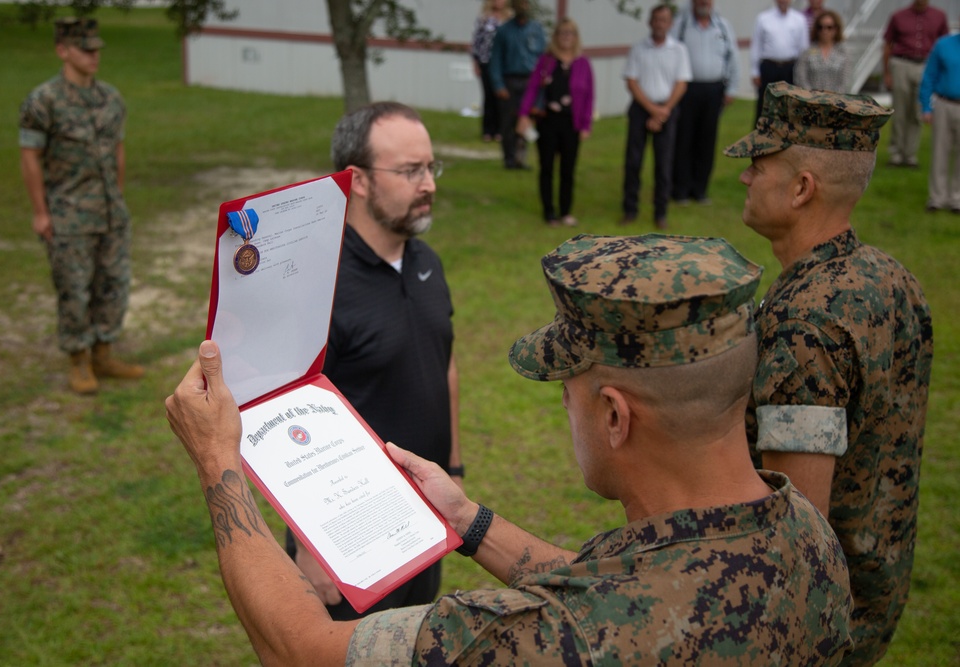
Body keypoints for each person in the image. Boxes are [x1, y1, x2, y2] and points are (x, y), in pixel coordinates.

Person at [166, 233, 855, 666]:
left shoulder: (564, 639)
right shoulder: (806, 538)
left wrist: (220, 463)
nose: (564, 405)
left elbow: (302, 651)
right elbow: (627, 582)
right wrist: (469, 520)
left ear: (614, 416)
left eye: (569, 390)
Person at [725, 82, 934, 666]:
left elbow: (799, 521)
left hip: (807, 622)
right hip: (872, 589)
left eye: (758, 164)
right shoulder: (890, 279)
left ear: (801, 188)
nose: (746, 177)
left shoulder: (807, 323)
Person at [282, 101, 463, 621]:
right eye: (410, 171)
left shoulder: (427, 261)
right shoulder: (319, 285)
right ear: (357, 181)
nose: (428, 183)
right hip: (347, 533)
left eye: (431, 167)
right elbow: (283, 422)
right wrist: (305, 545)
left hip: (426, 514)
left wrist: (453, 470)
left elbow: (443, 364)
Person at [19, 17, 144, 395]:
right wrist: (41, 212)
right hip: (68, 214)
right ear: (63, 51)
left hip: (110, 213)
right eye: (85, 49)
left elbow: (118, 149)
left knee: (114, 286)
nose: (93, 56)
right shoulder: (43, 102)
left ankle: (104, 353)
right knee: (74, 291)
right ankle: (78, 359)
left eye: (96, 49)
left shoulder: (110, 98)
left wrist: (117, 198)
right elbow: (30, 157)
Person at [516, 17, 594, 227]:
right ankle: (549, 211)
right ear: (556, 37)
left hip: (572, 122)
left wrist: (586, 125)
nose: (566, 37)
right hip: (548, 121)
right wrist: (523, 114)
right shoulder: (547, 61)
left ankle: (566, 211)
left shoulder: (583, 63)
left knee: (568, 168)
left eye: (570, 33)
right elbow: (533, 89)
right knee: (547, 166)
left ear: (576, 37)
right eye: (562, 33)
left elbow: (589, 96)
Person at [620, 4, 691, 229]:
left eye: (664, 20)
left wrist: (663, 111)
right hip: (642, 109)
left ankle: (660, 213)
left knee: (663, 164)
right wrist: (652, 110)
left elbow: (682, 83)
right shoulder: (638, 49)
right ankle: (630, 209)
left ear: (670, 24)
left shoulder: (678, 49)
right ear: (650, 22)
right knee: (633, 162)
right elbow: (631, 81)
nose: (660, 24)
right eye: (656, 19)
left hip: (667, 109)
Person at [669, 0, 740, 206]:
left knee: (707, 141)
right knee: (684, 140)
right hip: (687, 90)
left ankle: (700, 190)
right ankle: (680, 189)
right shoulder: (681, 26)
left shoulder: (723, 26)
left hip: (714, 89)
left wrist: (732, 89)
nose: (703, 2)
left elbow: (733, 57)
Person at [882, 0, 949, 168]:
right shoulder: (898, 16)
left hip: (926, 65)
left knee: (917, 111)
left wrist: (942, 74)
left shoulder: (939, 16)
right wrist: (887, 72)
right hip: (901, 63)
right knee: (899, 110)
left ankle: (910, 154)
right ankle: (896, 153)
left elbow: (945, 46)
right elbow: (887, 45)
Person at [488, 0, 546, 170]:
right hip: (510, 80)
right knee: (508, 121)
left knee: (526, 121)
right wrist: (498, 84)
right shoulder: (504, 31)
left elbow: (543, 58)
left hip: (531, 80)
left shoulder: (536, 29)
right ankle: (509, 159)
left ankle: (521, 157)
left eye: (526, 4)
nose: (523, 7)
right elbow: (495, 59)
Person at [919, 32, 960, 213]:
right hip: (945, 103)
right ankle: (937, 197)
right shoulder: (943, 45)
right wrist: (927, 107)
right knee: (940, 150)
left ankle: (957, 198)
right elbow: (929, 76)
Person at [750, 0, 809, 121]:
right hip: (769, 67)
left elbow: (803, 48)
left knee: (788, 105)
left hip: (790, 68)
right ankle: (761, 135)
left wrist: (802, 73)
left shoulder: (799, 19)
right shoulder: (763, 18)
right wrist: (754, 71)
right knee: (764, 105)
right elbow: (756, 45)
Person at [470, 0, 512, 143]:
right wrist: (475, 61)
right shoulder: (483, 19)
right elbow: (477, 41)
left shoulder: (509, 19)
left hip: (503, 64)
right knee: (488, 96)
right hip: (486, 61)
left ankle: (501, 130)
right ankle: (488, 131)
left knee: (500, 96)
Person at [793, 10, 851, 93]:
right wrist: (812, 96)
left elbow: (846, 80)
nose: (825, 31)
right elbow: (800, 77)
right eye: (820, 27)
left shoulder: (843, 52)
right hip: (810, 100)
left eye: (829, 27)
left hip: (836, 101)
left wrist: (834, 98)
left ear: (836, 29)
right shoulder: (807, 51)